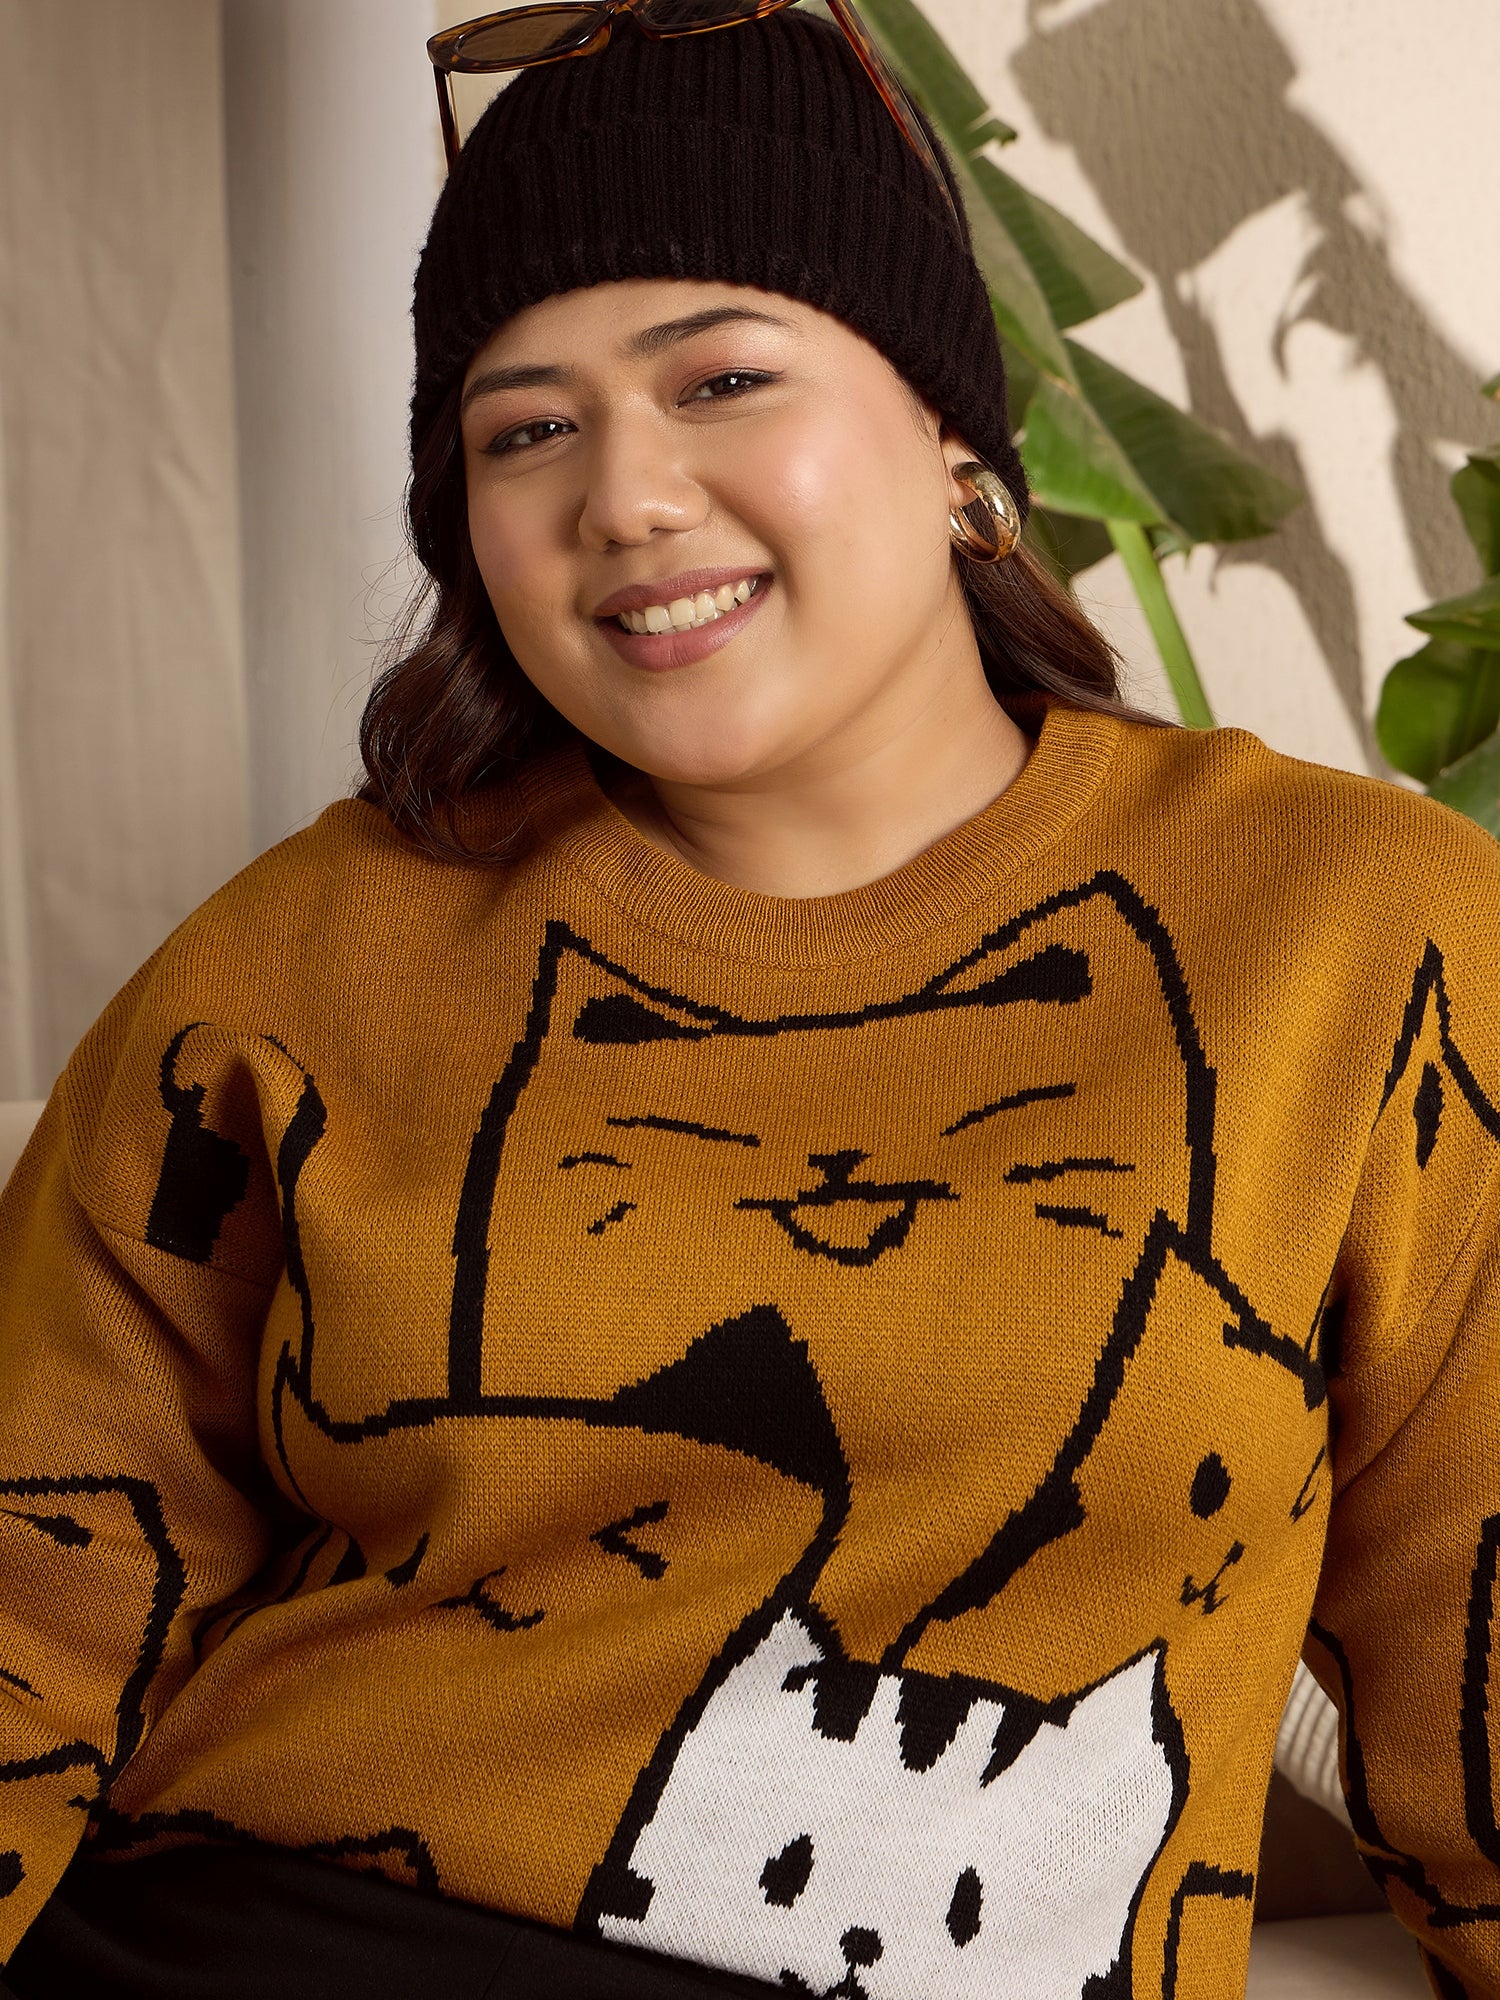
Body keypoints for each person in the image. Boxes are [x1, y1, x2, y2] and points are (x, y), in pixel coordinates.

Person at [1, 6, 1498, 1997]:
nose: (624, 495)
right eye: (525, 429)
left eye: (721, 377)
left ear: (952, 436)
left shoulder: (1359, 931)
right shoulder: (298, 959)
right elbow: (34, 1581)